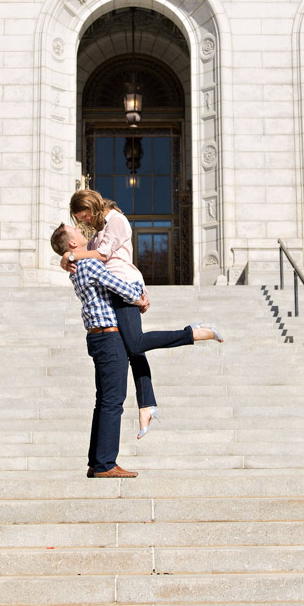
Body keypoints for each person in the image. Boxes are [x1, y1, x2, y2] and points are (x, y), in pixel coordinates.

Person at [62, 189, 222, 438]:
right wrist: (68, 259)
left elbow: (103, 255)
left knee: (135, 343)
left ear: (91, 206)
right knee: (132, 347)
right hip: (115, 287)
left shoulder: (116, 220)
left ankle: (192, 333)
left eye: (83, 216)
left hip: (124, 285)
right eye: (80, 219)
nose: (83, 221)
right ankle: (147, 404)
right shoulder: (99, 227)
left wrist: (69, 254)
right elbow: (95, 257)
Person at [51, 222, 148, 478]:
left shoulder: (76, 266)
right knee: (113, 401)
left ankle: (97, 461)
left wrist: (67, 257)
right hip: (109, 336)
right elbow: (120, 287)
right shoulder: (90, 263)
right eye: (76, 231)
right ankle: (105, 464)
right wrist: (140, 296)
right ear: (72, 243)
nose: (81, 231)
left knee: (103, 400)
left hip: (97, 337)